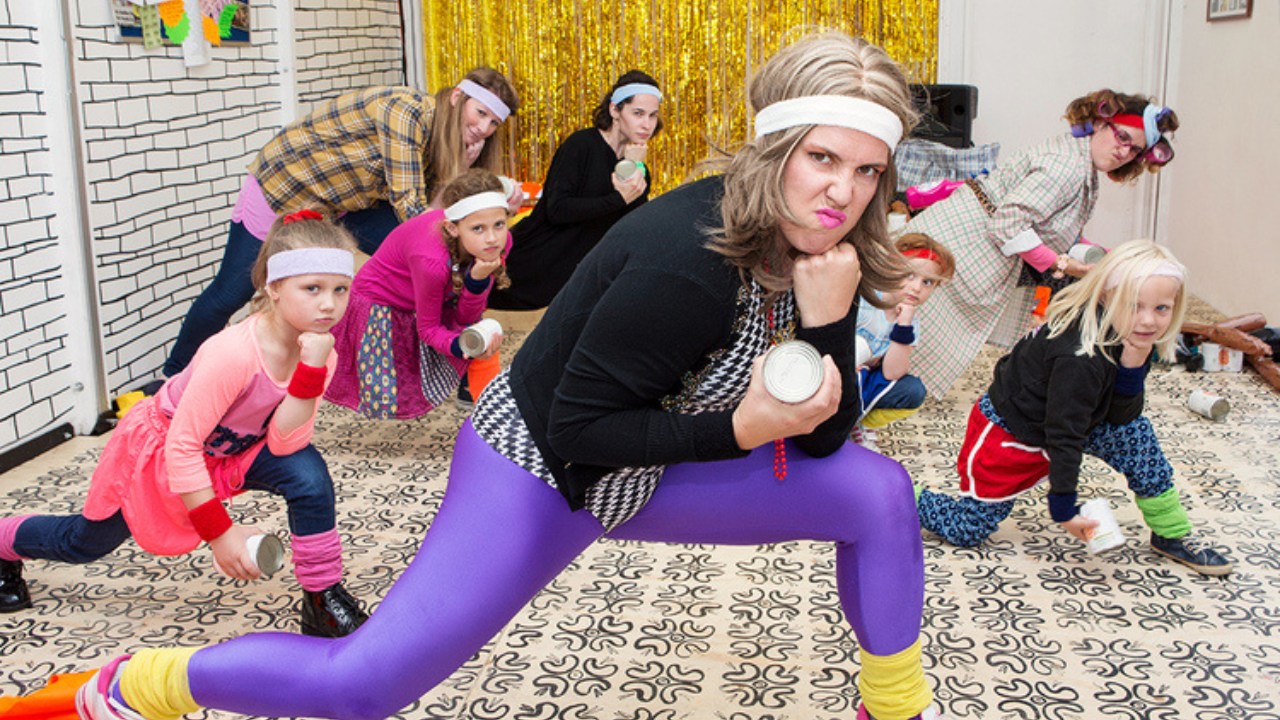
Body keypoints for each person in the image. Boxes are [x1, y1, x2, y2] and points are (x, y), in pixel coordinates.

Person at [61, 33, 948, 720]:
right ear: (774, 152)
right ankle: (132, 684)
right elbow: (581, 434)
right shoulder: (687, 262)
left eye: (867, 171)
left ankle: (895, 706)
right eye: (822, 159)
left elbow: (829, 434)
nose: (842, 192)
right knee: (367, 684)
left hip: (655, 459)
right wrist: (742, 432)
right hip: (541, 471)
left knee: (874, 493)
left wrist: (828, 323)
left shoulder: (817, 248)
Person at [0, 211, 373, 636]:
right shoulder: (232, 353)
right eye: (312, 288)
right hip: (162, 450)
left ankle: (323, 596)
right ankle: (3, 542)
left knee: (307, 473)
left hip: (236, 451)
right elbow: (182, 446)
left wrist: (309, 371)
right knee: (84, 542)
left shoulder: (321, 353)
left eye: (340, 289)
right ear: (274, 287)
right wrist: (221, 534)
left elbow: (286, 442)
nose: (329, 303)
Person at [160, 70, 522, 378]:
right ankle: (174, 375)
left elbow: (439, 212)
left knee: (443, 260)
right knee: (231, 291)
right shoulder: (406, 112)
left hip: (345, 204)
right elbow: (413, 208)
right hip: (283, 185)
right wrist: (457, 178)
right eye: (481, 113)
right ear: (457, 96)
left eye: (494, 123)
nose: (484, 128)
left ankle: (450, 361)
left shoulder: (449, 137)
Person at [916, 239, 1231, 577]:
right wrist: (1064, 509)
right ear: (1107, 296)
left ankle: (1171, 532)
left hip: (1080, 415)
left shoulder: (1133, 336)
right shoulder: (1079, 356)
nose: (1148, 321)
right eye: (1134, 305)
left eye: (1161, 309)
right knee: (967, 529)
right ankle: (899, 495)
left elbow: (1122, 415)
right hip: (1015, 429)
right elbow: (1064, 435)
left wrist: (1133, 365)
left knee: (1135, 436)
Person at [904, 90, 1179, 397]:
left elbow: (1053, 225)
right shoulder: (1067, 167)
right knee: (901, 321)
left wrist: (1101, 256)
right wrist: (1060, 263)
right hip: (958, 242)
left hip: (958, 236)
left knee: (909, 325)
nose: (1123, 151)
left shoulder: (1078, 160)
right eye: (1122, 137)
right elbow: (1008, 223)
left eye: (1134, 151)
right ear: (1100, 123)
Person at [323, 169, 511, 419]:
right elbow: (428, 330)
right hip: (382, 304)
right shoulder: (431, 261)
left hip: (434, 296)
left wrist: (477, 281)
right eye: (478, 229)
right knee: (392, 388)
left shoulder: (501, 242)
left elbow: (468, 316)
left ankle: (492, 419)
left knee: (483, 337)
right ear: (452, 228)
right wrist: (461, 347)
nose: (491, 238)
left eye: (499, 224)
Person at [486, 70, 661, 312]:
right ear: (615, 111)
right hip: (533, 267)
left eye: (653, 116)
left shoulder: (638, 169)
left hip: (577, 281)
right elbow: (557, 210)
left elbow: (632, 229)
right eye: (638, 113)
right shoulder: (581, 145)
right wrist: (617, 198)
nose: (647, 124)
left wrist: (632, 167)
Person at [850, 233, 955, 451]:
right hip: (842, 372)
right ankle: (840, 424)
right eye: (909, 276)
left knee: (913, 390)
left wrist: (903, 326)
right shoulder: (867, 299)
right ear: (891, 269)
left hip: (868, 379)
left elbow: (892, 373)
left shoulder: (911, 323)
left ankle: (861, 423)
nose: (916, 288)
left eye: (927, 282)